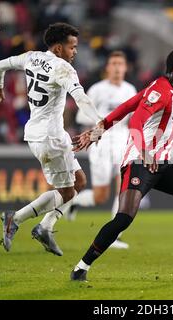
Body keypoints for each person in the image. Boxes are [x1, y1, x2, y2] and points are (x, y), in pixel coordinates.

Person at [70, 48, 173, 281]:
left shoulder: (167, 89)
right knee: (124, 218)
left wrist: (97, 130)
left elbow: (126, 106)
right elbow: (136, 120)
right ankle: (81, 267)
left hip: (162, 163)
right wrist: (145, 151)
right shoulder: (161, 90)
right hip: (140, 162)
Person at [0, 23, 102, 256]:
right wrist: (100, 122)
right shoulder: (64, 69)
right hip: (49, 138)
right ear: (59, 48)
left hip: (43, 133)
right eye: (73, 47)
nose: (75, 52)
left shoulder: (31, 57)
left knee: (79, 181)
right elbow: (80, 98)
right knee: (68, 192)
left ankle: (45, 228)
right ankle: (15, 218)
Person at [69, 51, 137, 249]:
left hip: (122, 141)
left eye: (120, 64)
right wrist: (101, 121)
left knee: (124, 186)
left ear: (125, 68)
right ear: (107, 67)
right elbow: (81, 117)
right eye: (113, 63)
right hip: (101, 141)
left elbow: (133, 117)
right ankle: (75, 201)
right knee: (100, 196)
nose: (117, 67)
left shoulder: (130, 89)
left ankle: (115, 235)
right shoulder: (97, 90)